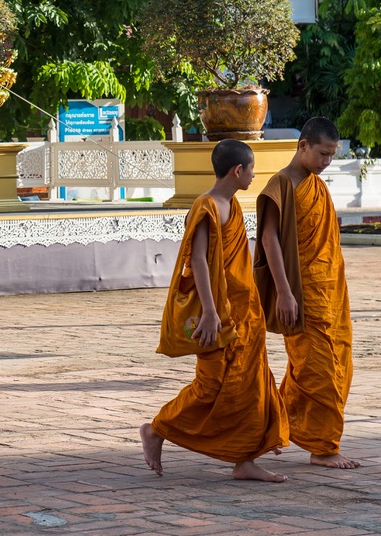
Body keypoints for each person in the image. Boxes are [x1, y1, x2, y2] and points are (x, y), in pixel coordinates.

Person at [140, 139, 289, 482]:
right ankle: (157, 428)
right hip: (219, 315)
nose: (253, 177)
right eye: (251, 170)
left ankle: (245, 459)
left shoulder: (232, 205)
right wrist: (209, 311)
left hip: (245, 314)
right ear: (238, 170)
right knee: (210, 386)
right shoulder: (207, 205)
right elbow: (198, 261)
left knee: (250, 386)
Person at [253, 117, 358, 469]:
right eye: (322, 154)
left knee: (337, 367)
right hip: (300, 292)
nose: (326, 162)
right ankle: (323, 448)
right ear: (303, 146)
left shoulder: (317, 187)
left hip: (330, 293)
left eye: (331, 155)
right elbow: (268, 240)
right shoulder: (280, 184)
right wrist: (284, 292)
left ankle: (274, 426)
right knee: (319, 372)